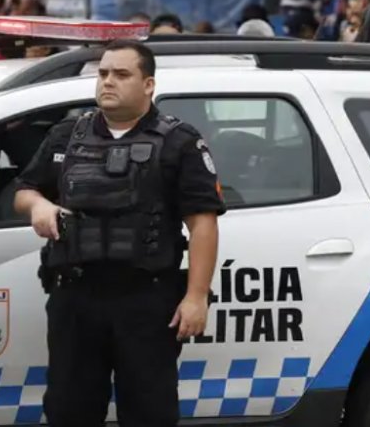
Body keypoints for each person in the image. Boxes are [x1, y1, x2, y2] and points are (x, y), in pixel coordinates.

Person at [12, 39, 224, 427]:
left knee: (149, 412)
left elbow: (202, 222)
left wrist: (196, 297)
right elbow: (24, 190)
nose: (108, 82)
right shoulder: (66, 135)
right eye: (104, 73)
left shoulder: (180, 142)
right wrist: (38, 206)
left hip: (146, 300)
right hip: (75, 297)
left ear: (148, 85)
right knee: (69, 410)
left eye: (122, 74)